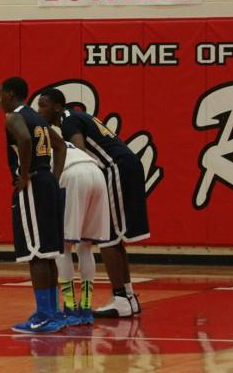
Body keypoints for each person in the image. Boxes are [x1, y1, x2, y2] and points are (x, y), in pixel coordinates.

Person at [38, 88, 150, 319]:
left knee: (109, 236)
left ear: (58, 107)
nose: (40, 111)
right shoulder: (78, 116)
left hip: (114, 168)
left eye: (44, 105)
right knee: (112, 237)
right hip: (121, 167)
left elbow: (79, 151)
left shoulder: (68, 121)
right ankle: (127, 296)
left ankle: (121, 297)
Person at [0, 77, 66, 334]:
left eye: (1, 95)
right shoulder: (37, 117)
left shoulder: (14, 117)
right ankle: (52, 313)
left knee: (35, 253)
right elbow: (59, 146)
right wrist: (54, 178)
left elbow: (25, 141)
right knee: (48, 253)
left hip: (34, 185)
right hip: (47, 182)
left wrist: (25, 174)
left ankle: (43, 316)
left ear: (10, 94)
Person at [47, 134, 110, 325]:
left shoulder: (34, 143)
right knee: (86, 245)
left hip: (72, 175)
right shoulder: (61, 140)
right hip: (96, 173)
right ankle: (86, 307)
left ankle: (70, 307)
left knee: (64, 246)